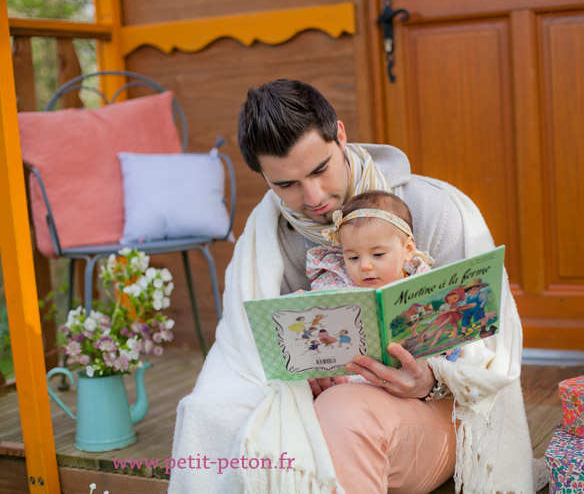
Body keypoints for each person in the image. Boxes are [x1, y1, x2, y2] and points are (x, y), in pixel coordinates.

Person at [168, 79, 536, 494]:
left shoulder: (436, 209)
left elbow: (490, 348)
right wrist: (297, 375)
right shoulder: (270, 233)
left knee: (342, 412)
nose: (313, 197)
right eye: (285, 185)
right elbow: (243, 352)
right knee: (205, 412)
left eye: (320, 169)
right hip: (329, 408)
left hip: (438, 416)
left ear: (340, 136)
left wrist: (431, 379)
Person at [306, 190, 432, 291]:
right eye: (353, 257)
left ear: (408, 250)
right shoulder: (335, 284)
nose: (365, 266)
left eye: (378, 254)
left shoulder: (423, 279)